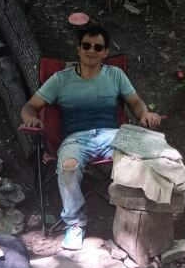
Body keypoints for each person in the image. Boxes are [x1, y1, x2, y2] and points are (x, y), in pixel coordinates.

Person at [20, 25, 160, 250]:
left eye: (98, 47)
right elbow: (30, 106)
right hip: (76, 139)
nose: (91, 50)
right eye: (86, 45)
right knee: (67, 166)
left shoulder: (115, 74)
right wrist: (30, 118)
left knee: (154, 151)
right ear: (78, 49)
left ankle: (142, 214)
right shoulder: (60, 79)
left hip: (113, 135)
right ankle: (75, 223)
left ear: (105, 52)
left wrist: (144, 114)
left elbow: (135, 102)